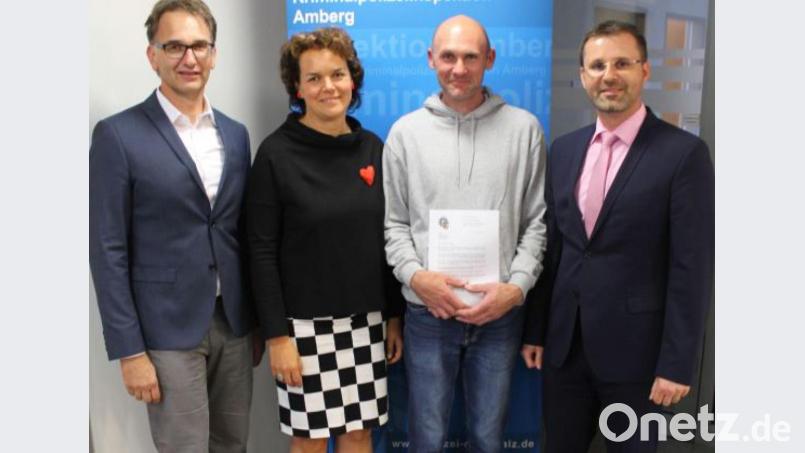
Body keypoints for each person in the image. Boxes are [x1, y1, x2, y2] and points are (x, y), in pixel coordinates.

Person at [521, 20, 714, 452]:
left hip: (639, 360)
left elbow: (691, 268)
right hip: (565, 351)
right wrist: (535, 331)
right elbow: (554, 250)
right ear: (583, 75)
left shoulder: (683, 155)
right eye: (597, 65)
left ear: (644, 70)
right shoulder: (564, 149)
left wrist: (677, 363)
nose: (609, 75)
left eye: (622, 63)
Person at [89, 1, 259, 451]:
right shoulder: (118, 135)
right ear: (153, 55)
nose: (189, 58)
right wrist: (129, 350)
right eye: (175, 46)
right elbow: (107, 249)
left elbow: (240, 232)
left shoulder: (236, 134)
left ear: (214, 54)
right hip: (165, 329)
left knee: (233, 445)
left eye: (200, 46)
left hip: (233, 323)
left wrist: (256, 322)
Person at [383, 15, 547, 453]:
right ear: (430, 58)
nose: (459, 68)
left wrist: (516, 289)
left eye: (470, 57)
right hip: (427, 315)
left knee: (489, 439)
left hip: (500, 316)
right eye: (448, 57)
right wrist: (417, 278)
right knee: (426, 437)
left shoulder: (525, 130)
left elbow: (536, 223)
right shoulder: (404, 134)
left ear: (489, 59)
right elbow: (395, 224)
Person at [246, 27, 404, 453]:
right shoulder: (275, 154)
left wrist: (393, 316)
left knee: (359, 435)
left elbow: (388, 239)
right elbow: (260, 251)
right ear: (297, 88)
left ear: (352, 80)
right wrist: (277, 337)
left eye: (337, 74)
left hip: (366, 324)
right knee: (311, 441)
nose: (328, 87)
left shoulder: (372, 148)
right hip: (301, 332)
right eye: (313, 78)